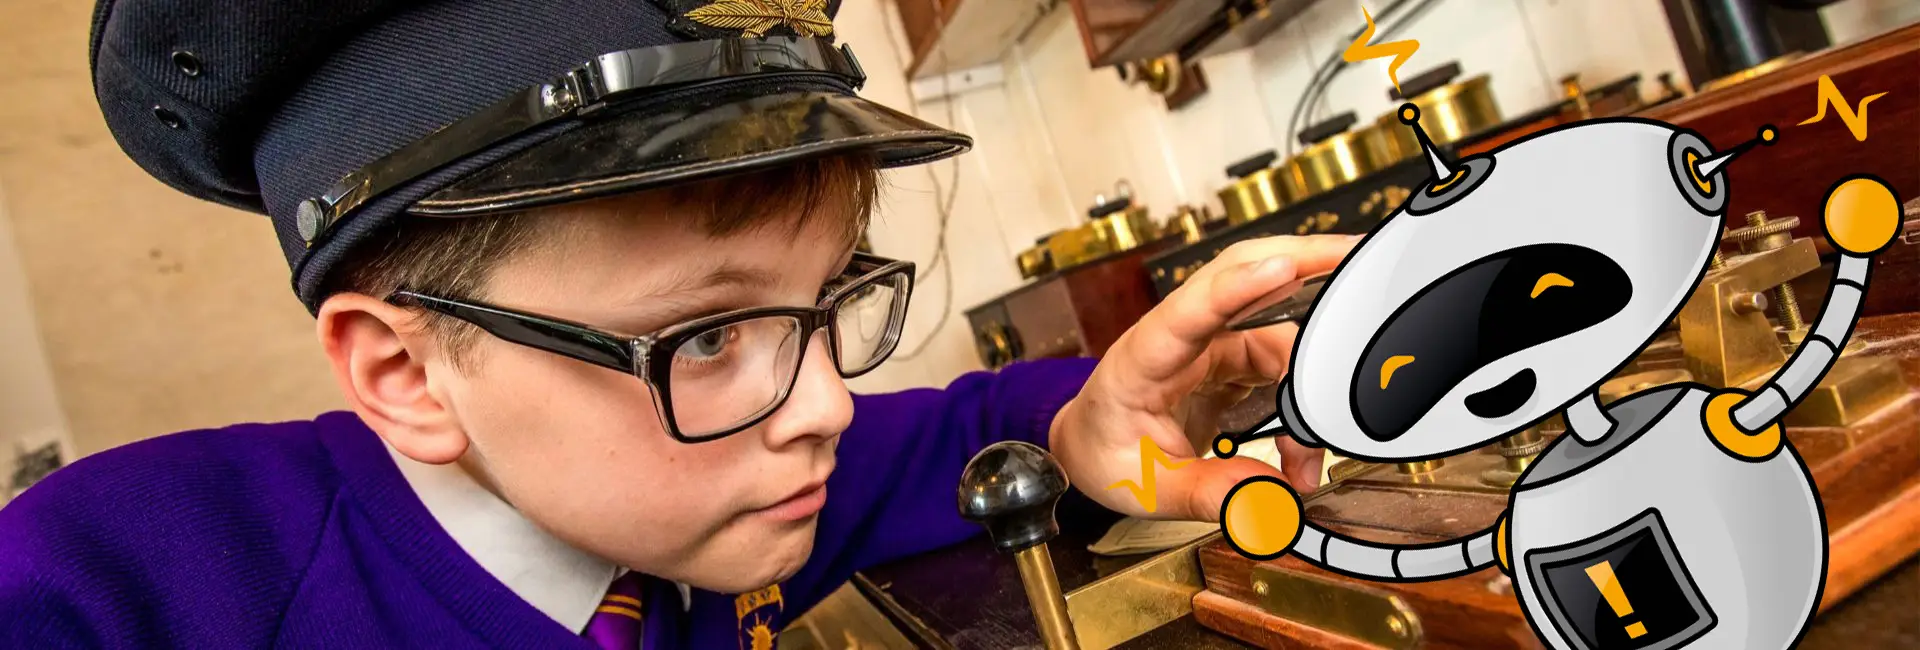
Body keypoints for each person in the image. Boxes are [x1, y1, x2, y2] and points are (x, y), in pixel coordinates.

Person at [0, 0, 1342, 647]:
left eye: (827, 302)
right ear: (405, 369)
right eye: (708, 336)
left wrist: (1081, 422)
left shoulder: (694, 492)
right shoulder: (111, 589)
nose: (822, 404)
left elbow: (951, 438)